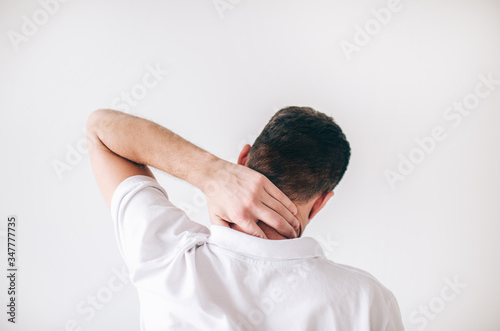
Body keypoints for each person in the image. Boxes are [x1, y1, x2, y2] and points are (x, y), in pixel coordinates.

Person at [87, 106, 404, 330]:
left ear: (242, 158)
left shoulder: (167, 255)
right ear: (320, 202)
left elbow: (100, 128)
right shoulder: (367, 302)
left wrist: (211, 172)